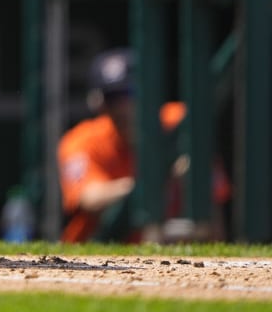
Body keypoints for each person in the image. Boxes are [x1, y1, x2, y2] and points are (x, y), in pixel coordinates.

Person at [58, 48, 230, 243]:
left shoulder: (179, 122)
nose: (122, 107)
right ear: (99, 104)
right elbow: (89, 198)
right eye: (112, 97)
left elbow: (215, 203)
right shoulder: (81, 139)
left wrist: (192, 176)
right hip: (96, 259)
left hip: (171, 253)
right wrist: (151, 182)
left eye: (130, 93)